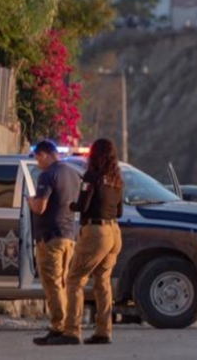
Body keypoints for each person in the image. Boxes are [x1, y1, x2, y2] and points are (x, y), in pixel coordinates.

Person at [47, 138, 125, 346]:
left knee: (74, 280)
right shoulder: (117, 179)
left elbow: (83, 205)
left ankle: (72, 331)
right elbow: (119, 211)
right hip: (114, 232)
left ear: (94, 155)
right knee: (102, 283)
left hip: (95, 233)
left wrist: (71, 205)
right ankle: (104, 331)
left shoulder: (91, 177)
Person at [29, 140, 81, 346]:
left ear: (44, 155)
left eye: (37, 157)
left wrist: (30, 200)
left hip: (50, 238)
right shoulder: (72, 173)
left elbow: (40, 207)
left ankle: (59, 327)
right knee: (64, 284)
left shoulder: (48, 175)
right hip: (68, 235)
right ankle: (67, 327)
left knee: (52, 284)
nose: (37, 162)